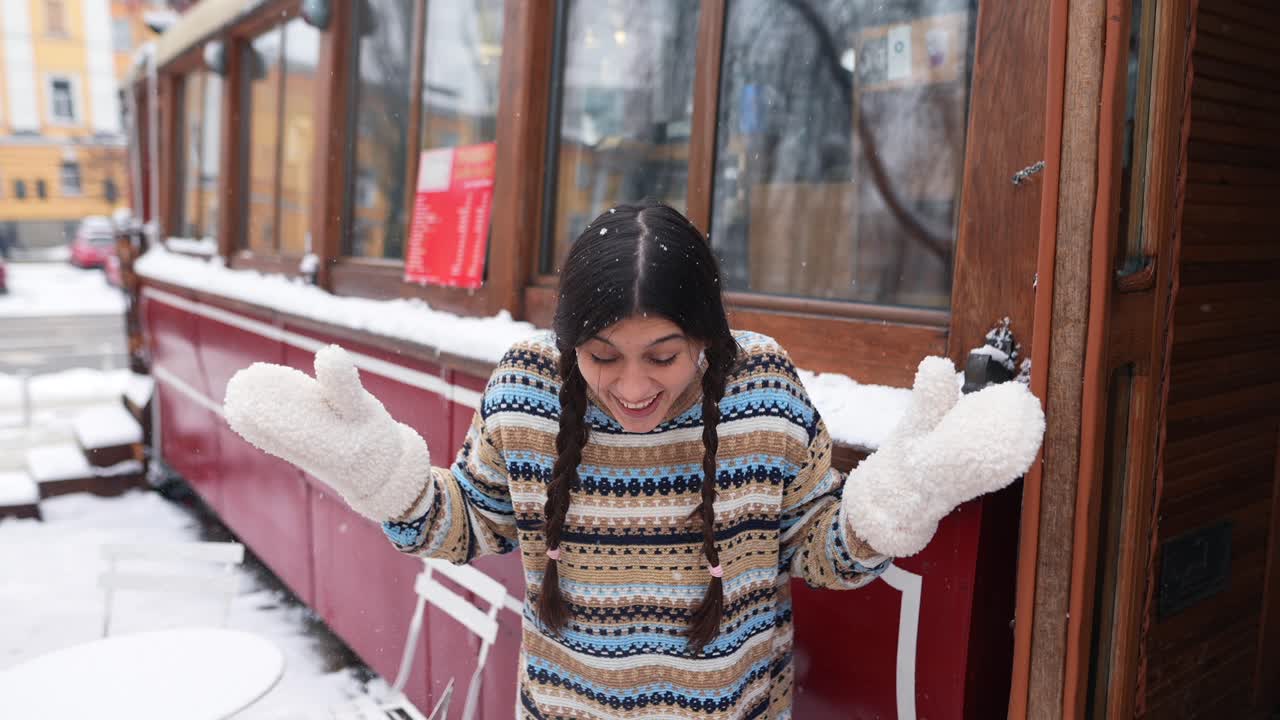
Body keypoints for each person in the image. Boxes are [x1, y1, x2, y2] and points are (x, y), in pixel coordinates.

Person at [223, 200, 1045, 719]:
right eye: (602, 354)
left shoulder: (761, 388)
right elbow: (467, 527)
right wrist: (378, 475)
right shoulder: (526, 389)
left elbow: (815, 549)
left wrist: (899, 496)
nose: (633, 386)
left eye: (664, 353)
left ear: (707, 336)